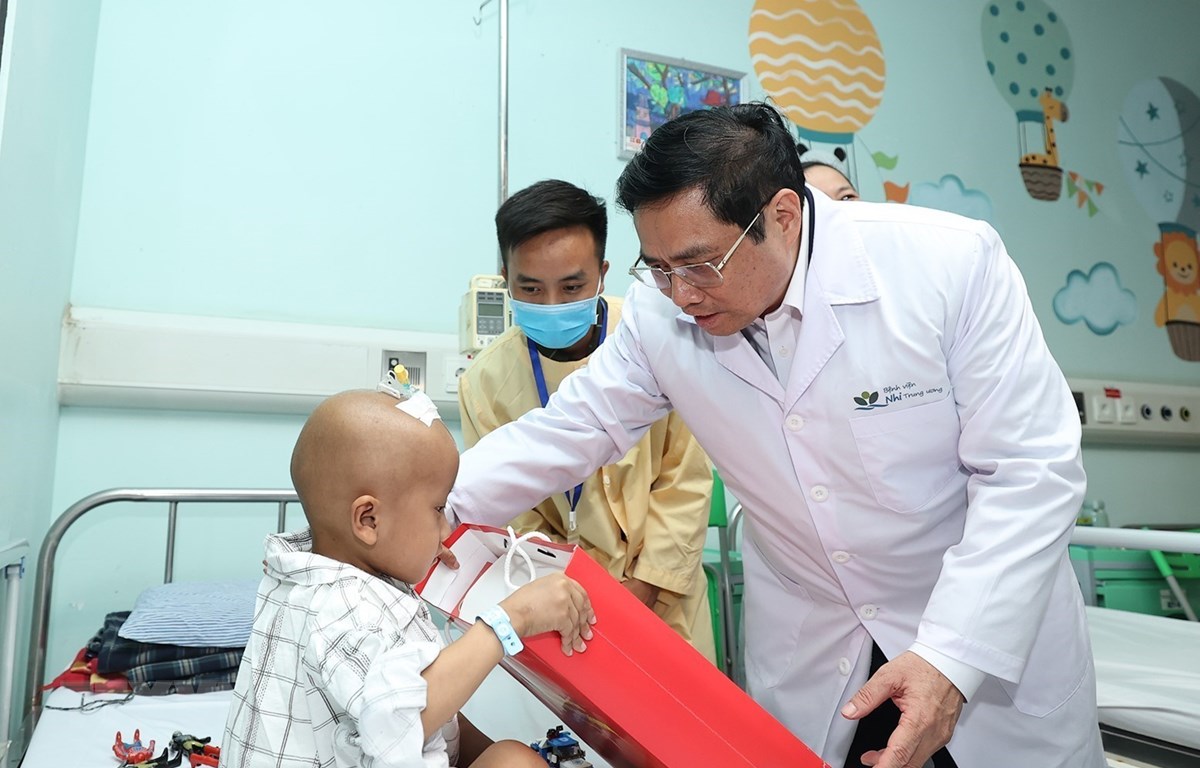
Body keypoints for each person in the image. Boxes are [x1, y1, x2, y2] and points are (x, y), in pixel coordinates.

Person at [446, 104, 1103, 768]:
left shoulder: (947, 266)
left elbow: (1030, 473)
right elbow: (569, 429)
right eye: (659, 267)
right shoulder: (658, 315)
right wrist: (421, 511)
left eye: (700, 264)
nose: (680, 295)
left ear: (783, 215)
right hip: (817, 654)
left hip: (974, 636)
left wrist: (952, 657)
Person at [221, 387, 594, 768]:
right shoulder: (344, 609)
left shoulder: (309, 578)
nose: (446, 527)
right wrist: (512, 619)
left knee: (507, 754)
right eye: (438, 509)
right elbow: (401, 723)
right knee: (515, 763)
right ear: (368, 520)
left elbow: (437, 720)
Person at [457, 179, 716, 662]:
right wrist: (566, 594)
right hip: (561, 609)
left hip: (664, 593)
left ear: (602, 273)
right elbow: (512, 514)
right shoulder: (485, 382)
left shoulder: (659, 337)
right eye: (530, 288)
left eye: (572, 287)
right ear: (505, 278)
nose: (552, 304)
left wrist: (644, 588)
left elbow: (685, 479)